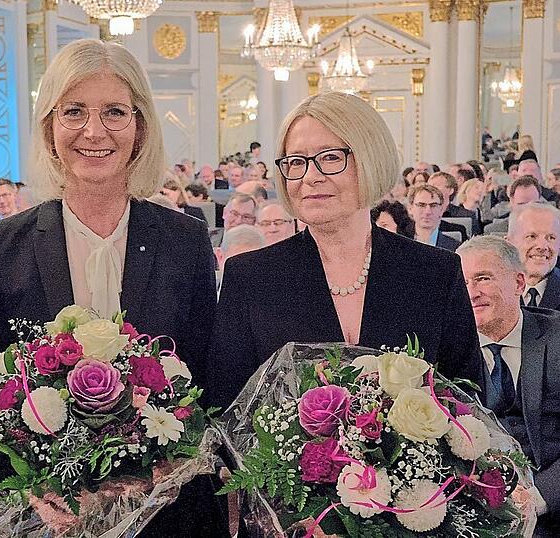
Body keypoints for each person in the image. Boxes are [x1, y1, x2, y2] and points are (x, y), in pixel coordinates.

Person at [0, 39, 227, 538]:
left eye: (114, 111)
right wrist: (29, 481)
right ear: (49, 128)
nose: (94, 131)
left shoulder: (184, 239)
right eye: (73, 112)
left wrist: (173, 463)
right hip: (46, 513)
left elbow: (208, 377)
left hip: (166, 510)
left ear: (139, 127)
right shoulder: (2, 244)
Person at [208, 91, 483, 413]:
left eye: (330, 158)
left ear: (371, 157)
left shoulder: (435, 272)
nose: (310, 177)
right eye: (296, 162)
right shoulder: (250, 276)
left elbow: (468, 406)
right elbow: (225, 409)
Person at [456, 236, 559, 536]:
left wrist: (538, 498)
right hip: (475, 512)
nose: (472, 293)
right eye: (463, 284)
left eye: (483, 278)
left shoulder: (556, 337)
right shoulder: (447, 349)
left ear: (518, 283)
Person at [506, 202, 560, 310]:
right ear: (509, 243)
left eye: (551, 238)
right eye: (531, 236)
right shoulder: (496, 290)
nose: (542, 246)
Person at [409, 184, 461, 251]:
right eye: (421, 205)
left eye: (433, 206)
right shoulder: (398, 243)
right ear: (410, 208)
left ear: (441, 210)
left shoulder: (455, 247)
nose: (428, 212)